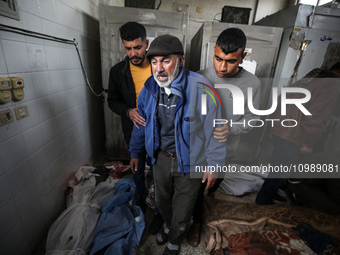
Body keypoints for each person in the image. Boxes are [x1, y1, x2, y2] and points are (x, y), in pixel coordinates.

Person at [129, 34, 226, 255]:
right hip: (161, 158)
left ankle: (174, 240)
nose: (159, 68)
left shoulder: (201, 88)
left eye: (165, 61)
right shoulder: (149, 89)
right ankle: (166, 224)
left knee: (183, 209)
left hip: (192, 160)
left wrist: (214, 163)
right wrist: (135, 151)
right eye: (154, 62)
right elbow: (140, 123)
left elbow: (216, 129)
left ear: (180, 60)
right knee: (161, 202)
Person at [187, 27, 261, 247]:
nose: (222, 67)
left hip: (228, 148)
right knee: (198, 187)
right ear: (214, 51)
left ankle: (209, 198)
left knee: (214, 183)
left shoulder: (252, 84)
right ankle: (197, 222)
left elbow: (253, 119)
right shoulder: (200, 76)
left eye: (230, 61)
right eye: (218, 58)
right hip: (201, 149)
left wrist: (232, 128)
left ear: (243, 57)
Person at [255, 62, 340, 205]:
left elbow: (281, 99)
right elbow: (316, 117)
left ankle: (271, 194)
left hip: (281, 129)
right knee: (281, 172)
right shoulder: (332, 85)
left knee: (278, 169)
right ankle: (262, 201)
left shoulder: (310, 79)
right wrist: (309, 142)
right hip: (294, 135)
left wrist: (273, 127)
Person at [107, 21, 163, 234]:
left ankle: (159, 210)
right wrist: (128, 111)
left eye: (138, 47)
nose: (133, 53)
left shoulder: (159, 66)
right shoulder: (118, 72)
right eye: (128, 48)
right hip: (134, 131)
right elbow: (113, 101)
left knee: (159, 172)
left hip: (159, 131)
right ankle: (140, 199)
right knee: (137, 169)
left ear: (146, 43)